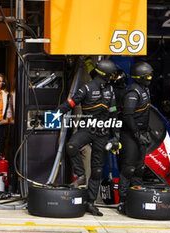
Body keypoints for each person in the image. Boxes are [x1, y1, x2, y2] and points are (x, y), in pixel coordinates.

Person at [56, 59, 120, 216]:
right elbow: (70, 103)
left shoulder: (111, 90)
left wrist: (116, 137)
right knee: (71, 146)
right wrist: (52, 114)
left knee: (97, 170)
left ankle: (90, 203)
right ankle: (81, 175)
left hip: (103, 133)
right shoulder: (86, 88)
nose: (113, 77)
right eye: (112, 75)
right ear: (106, 75)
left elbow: (113, 112)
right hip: (86, 129)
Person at [117, 61, 153, 215]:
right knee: (128, 169)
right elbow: (128, 116)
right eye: (148, 76)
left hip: (142, 133)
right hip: (129, 135)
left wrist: (145, 133)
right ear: (140, 77)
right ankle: (123, 201)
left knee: (139, 169)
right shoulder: (133, 92)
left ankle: (136, 198)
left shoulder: (145, 89)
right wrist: (137, 134)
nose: (150, 78)